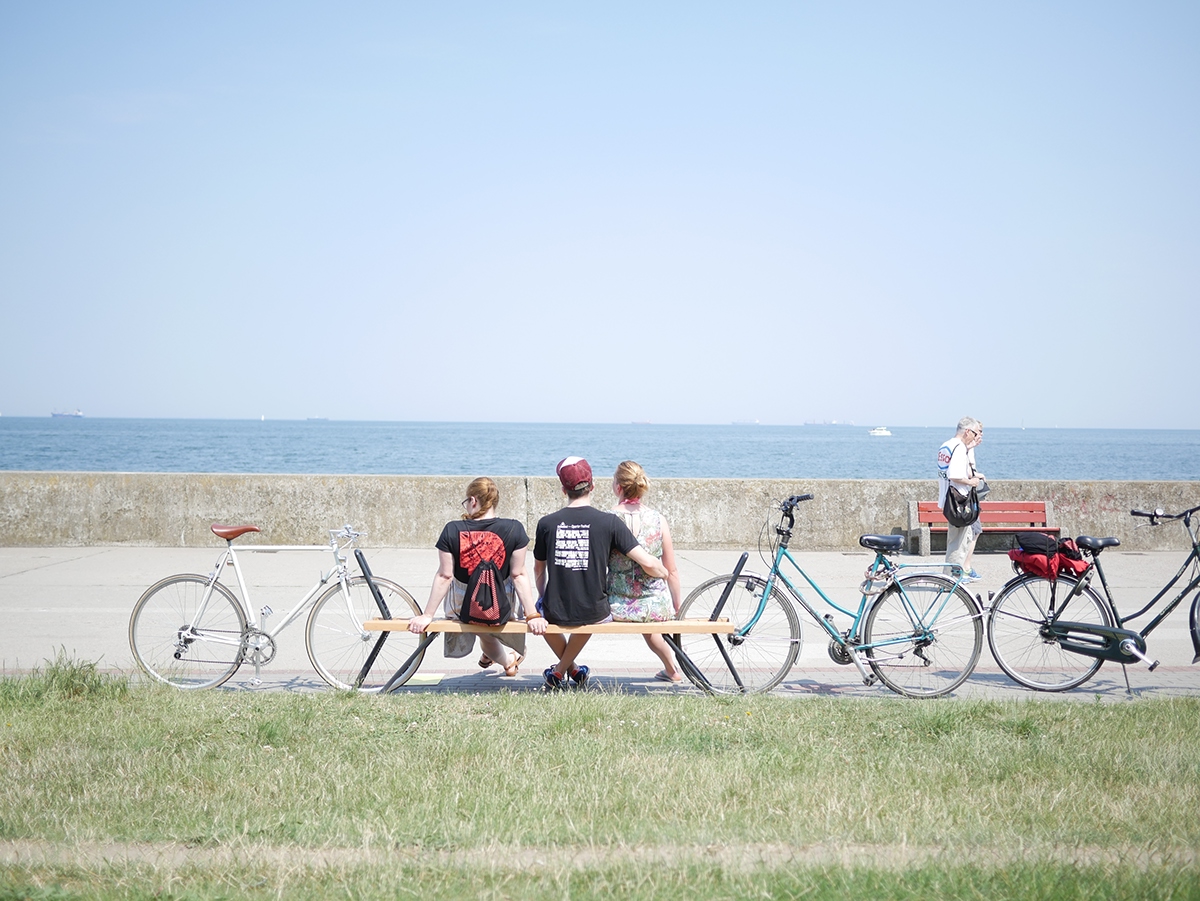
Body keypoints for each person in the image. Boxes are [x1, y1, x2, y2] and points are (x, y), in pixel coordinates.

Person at [533, 456, 669, 690]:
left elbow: (538, 570)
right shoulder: (609, 522)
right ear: (592, 485)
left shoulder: (547, 523)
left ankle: (563, 671)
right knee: (590, 616)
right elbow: (645, 560)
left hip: (555, 608)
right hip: (594, 609)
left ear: (563, 488)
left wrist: (542, 596)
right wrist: (663, 571)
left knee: (540, 612)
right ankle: (565, 670)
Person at [408, 477, 543, 675]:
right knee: (487, 625)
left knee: (481, 626)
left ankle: (507, 661)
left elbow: (445, 576)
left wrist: (427, 615)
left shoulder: (452, 529)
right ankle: (505, 657)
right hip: (500, 605)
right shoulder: (514, 528)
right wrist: (532, 615)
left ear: (473, 501)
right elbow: (518, 574)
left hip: (462, 606)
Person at [607, 460, 684, 683]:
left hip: (616, 604)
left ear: (618, 487)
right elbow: (672, 569)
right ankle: (671, 669)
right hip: (654, 604)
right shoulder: (658, 519)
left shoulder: (608, 518)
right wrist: (677, 605)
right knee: (651, 628)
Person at [937, 417, 986, 582]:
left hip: (947, 499)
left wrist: (969, 448)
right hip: (958, 501)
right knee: (959, 543)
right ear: (967, 431)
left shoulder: (947, 445)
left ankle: (948, 577)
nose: (975, 436)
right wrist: (971, 481)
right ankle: (951, 579)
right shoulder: (958, 447)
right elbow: (956, 475)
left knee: (955, 540)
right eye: (974, 433)